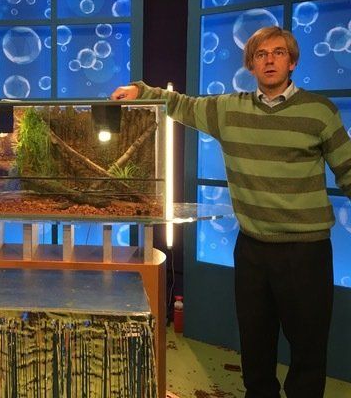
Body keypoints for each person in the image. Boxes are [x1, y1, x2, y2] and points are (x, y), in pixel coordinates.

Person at [111, 26, 351, 398]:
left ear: (292, 61)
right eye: (260, 54)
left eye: (278, 52)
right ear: (251, 65)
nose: (269, 60)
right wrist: (141, 92)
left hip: (306, 252)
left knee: (308, 351)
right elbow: (182, 105)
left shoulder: (320, 111)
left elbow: (347, 169)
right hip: (252, 248)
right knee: (255, 349)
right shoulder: (229, 109)